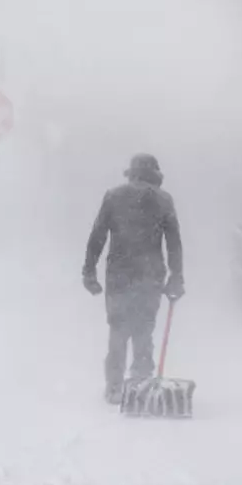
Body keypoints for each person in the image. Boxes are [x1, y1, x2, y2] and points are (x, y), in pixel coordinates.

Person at [82, 153, 185, 404]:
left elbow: (97, 236)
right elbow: (173, 243)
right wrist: (176, 276)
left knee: (117, 330)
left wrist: (89, 271)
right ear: (155, 174)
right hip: (150, 275)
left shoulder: (113, 196)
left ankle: (115, 388)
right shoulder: (164, 200)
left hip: (119, 275)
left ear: (132, 173)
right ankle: (140, 384)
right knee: (143, 329)